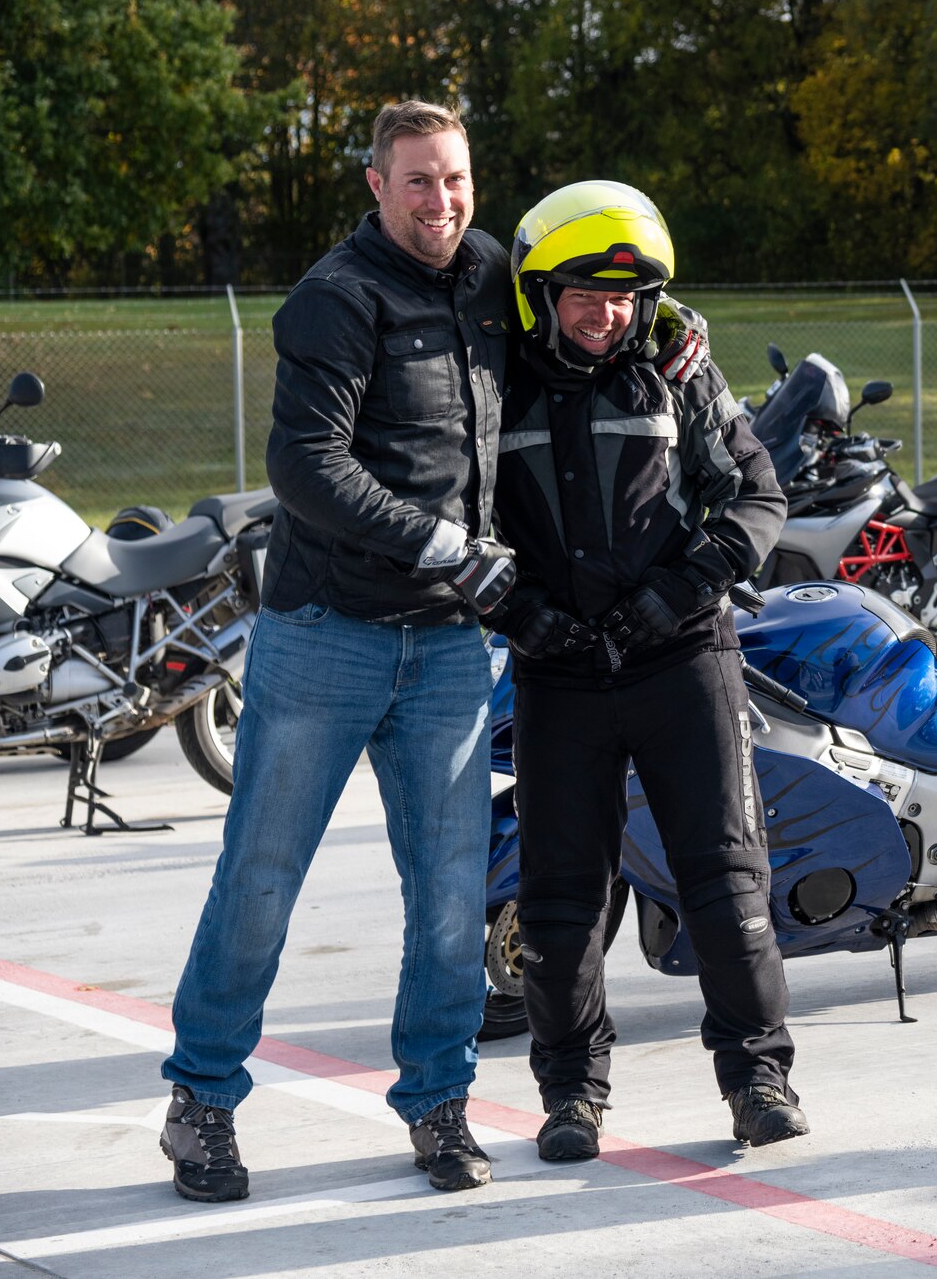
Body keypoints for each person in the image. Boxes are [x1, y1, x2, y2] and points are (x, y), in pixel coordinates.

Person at [160, 102, 518, 1200]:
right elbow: (308, 468)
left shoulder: (492, 276)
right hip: (326, 637)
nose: (441, 202)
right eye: (418, 181)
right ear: (375, 183)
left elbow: (586, 331)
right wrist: (443, 543)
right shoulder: (332, 298)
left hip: (449, 646)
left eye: (454, 180)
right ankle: (202, 1101)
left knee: (454, 895)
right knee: (262, 879)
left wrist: (665, 333)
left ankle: (439, 1105)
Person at [488, 180, 800, 1159]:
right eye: (586, 292)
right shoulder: (496, 378)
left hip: (680, 655)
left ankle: (757, 1080)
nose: (607, 312)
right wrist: (514, 608)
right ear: (541, 289)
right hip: (559, 669)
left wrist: (693, 581)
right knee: (557, 897)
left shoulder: (677, 369)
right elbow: (460, 519)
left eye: (626, 297)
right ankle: (571, 1098)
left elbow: (757, 495)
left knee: (724, 880)